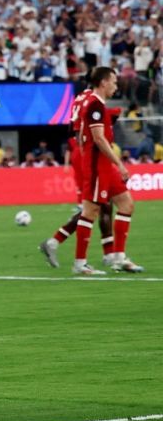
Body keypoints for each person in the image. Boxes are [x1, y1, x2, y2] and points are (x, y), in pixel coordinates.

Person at [73, 67, 144, 274]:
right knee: (91, 211)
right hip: (98, 164)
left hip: (103, 164)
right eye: (113, 81)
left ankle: (119, 257)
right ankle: (79, 264)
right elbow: (99, 139)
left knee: (126, 203)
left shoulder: (97, 104)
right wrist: (119, 164)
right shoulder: (95, 104)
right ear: (103, 82)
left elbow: (82, 137)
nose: (116, 85)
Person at [41, 86, 115, 270]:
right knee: (95, 206)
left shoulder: (80, 98)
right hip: (88, 152)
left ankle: (109, 254)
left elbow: (74, 127)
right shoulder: (93, 100)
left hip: (81, 150)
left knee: (101, 205)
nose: (114, 86)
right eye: (112, 82)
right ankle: (96, 256)